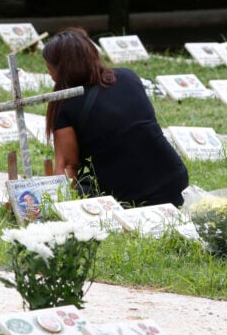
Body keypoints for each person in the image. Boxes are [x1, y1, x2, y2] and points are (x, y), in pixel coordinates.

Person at [43, 27, 189, 207]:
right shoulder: (128, 76)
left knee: (83, 189)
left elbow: (68, 166)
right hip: (174, 181)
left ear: (62, 69)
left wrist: (57, 207)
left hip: (131, 194)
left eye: (50, 69)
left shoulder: (65, 106)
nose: (50, 75)